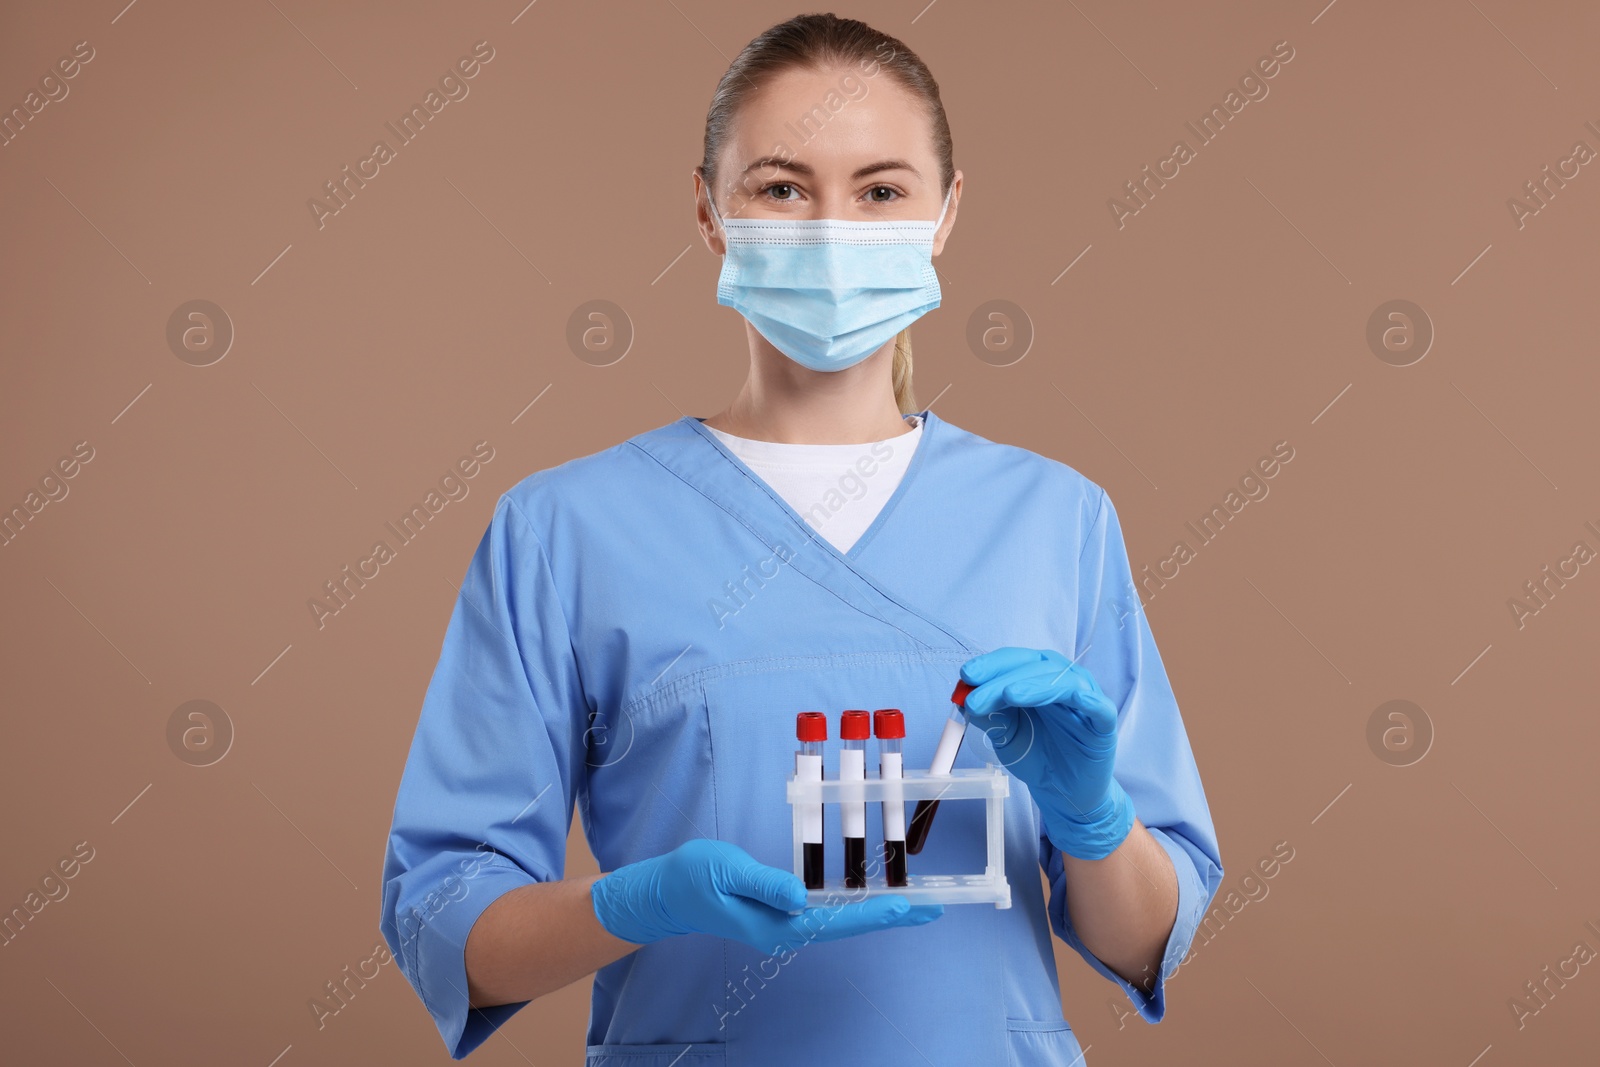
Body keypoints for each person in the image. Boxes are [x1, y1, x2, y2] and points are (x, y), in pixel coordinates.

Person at [380, 13, 1222, 1065]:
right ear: (707, 211)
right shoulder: (565, 530)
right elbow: (446, 928)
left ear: (946, 213)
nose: (833, 230)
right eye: (781, 188)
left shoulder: (1055, 520)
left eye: (880, 191)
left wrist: (1093, 817)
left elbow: (1143, 937)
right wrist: (637, 902)